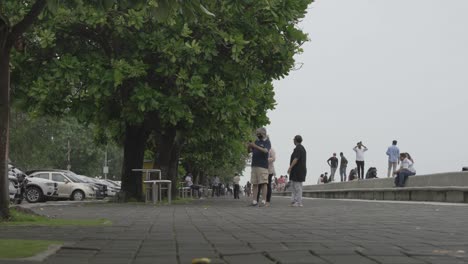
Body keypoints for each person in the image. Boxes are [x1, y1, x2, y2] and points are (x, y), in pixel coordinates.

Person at [247, 127, 271, 206]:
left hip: (263, 165)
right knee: (254, 183)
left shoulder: (267, 141)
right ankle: (254, 201)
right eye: (257, 133)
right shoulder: (256, 141)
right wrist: (249, 146)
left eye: (259, 133)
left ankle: (263, 201)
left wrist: (255, 146)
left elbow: (265, 151)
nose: (257, 135)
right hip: (254, 165)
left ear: (263, 133)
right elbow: (249, 151)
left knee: (264, 183)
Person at [288, 135, 307, 207]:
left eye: (293, 139)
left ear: (295, 140)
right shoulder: (301, 148)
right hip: (298, 170)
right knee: (294, 186)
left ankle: (298, 202)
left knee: (297, 187)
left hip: (298, 171)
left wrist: (290, 167)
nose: (293, 140)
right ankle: (294, 201)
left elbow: (296, 159)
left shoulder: (298, 148)